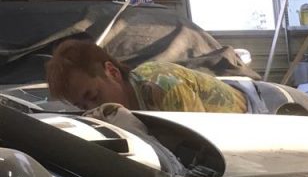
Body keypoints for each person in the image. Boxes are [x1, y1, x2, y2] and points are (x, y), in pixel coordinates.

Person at [46, 39, 247, 113]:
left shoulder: (162, 87)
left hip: (252, 113)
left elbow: (203, 149)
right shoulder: (124, 106)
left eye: (93, 96)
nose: (94, 110)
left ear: (112, 72)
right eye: (83, 107)